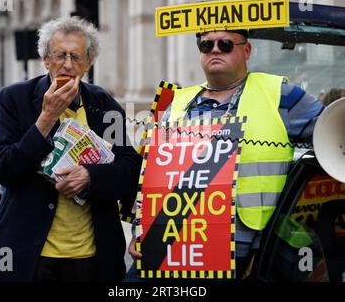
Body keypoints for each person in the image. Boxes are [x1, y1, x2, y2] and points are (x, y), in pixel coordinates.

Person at [126, 29, 324, 281]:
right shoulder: (177, 102)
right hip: (167, 242)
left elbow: (332, 134)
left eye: (226, 44)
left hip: (237, 251)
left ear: (247, 50)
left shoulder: (281, 95)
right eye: (206, 45)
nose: (215, 50)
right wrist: (139, 229)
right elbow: (154, 176)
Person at [0, 17, 142, 282]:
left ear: (89, 63)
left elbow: (129, 169)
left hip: (92, 257)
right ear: (46, 59)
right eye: (60, 55)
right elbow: (4, 170)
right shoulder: (14, 99)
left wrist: (91, 176)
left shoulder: (104, 106)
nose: (68, 65)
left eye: (76, 57)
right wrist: (46, 119)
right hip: (27, 256)